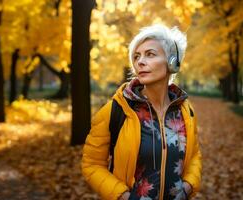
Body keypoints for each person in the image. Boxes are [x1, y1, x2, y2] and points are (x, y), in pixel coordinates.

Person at [81, 24, 202, 200]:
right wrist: (122, 196)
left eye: (150, 54)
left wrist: (188, 186)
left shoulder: (185, 110)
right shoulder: (116, 110)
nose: (140, 61)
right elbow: (91, 164)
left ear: (172, 62)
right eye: (136, 56)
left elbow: (194, 157)